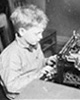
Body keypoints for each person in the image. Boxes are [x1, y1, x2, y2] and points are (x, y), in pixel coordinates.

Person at [0, 4, 56, 99]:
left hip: (35, 84)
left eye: (41, 32)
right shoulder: (11, 55)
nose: (41, 37)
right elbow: (11, 86)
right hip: (20, 95)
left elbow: (35, 65)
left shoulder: (34, 43)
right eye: (37, 33)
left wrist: (46, 61)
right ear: (22, 32)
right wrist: (38, 75)